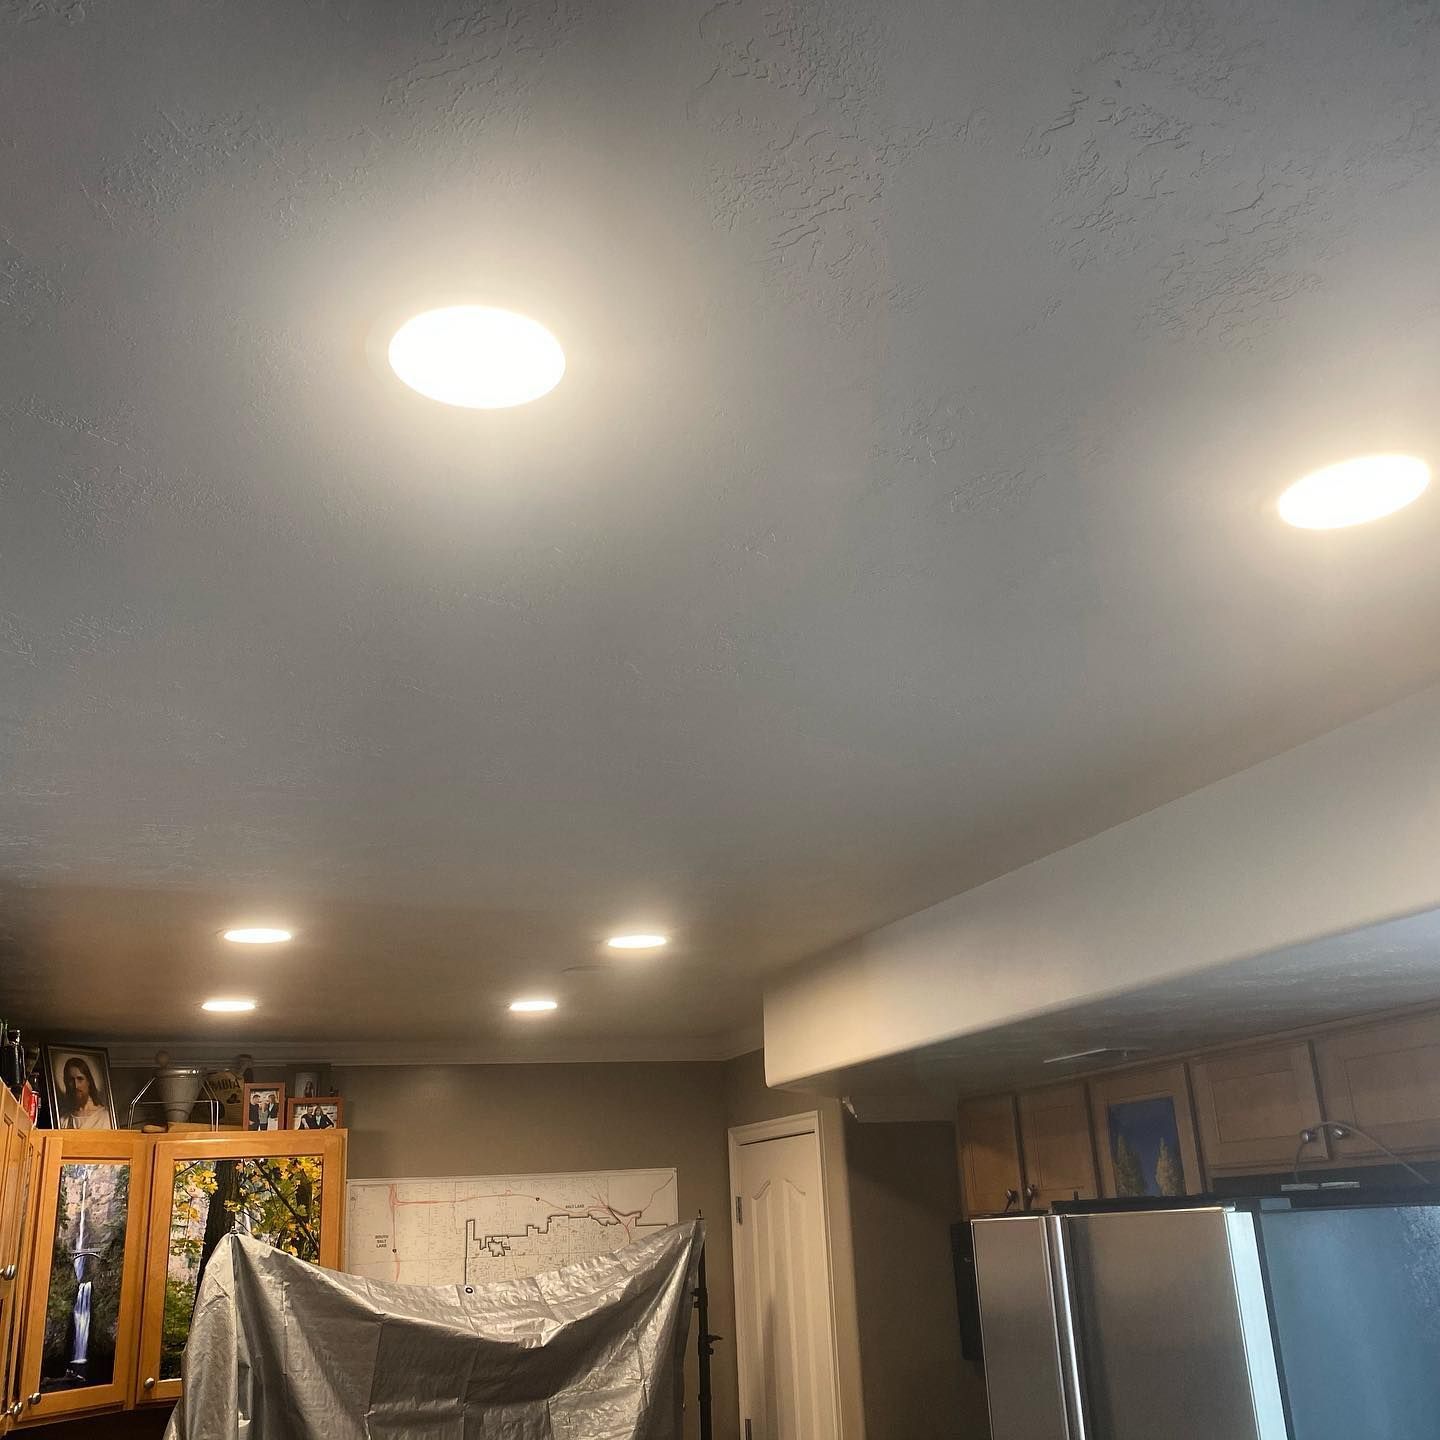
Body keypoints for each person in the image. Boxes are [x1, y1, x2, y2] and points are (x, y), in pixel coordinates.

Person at [58, 1056, 111, 1129]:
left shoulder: (106, 1118)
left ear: (88, 1081)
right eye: (71, 1080)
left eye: (80, 1079)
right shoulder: (63, 1121)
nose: (76, 1085)